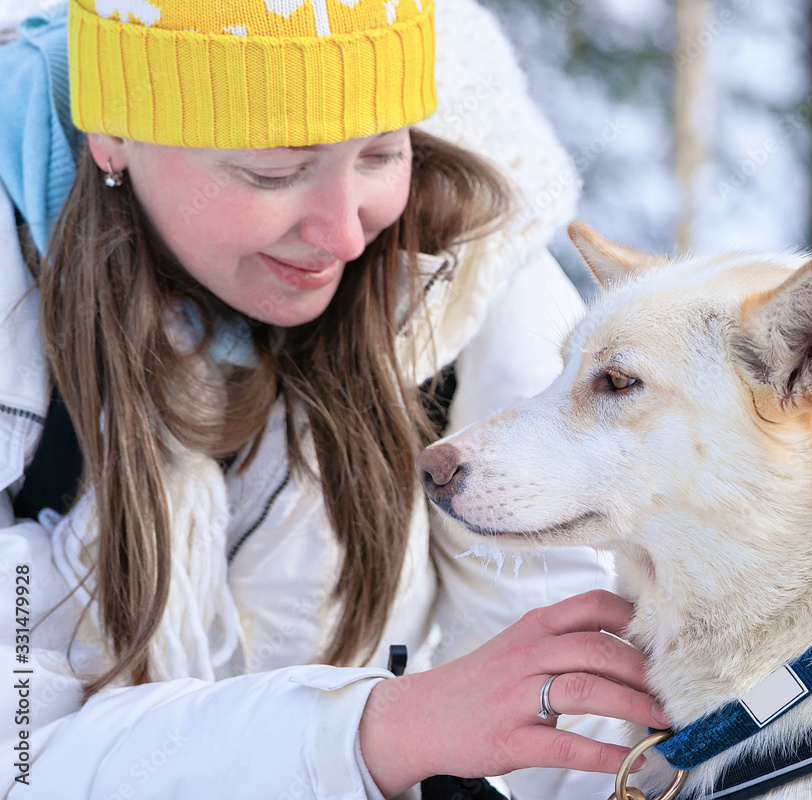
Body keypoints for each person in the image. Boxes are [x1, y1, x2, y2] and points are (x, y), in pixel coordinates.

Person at [0, 1, 670, 798]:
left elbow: (572, 682)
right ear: (111, 131)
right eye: (272, 172)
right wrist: (374, 732)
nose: (346, 239)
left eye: (382, 155)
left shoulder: (467, 267)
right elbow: (20, 755)